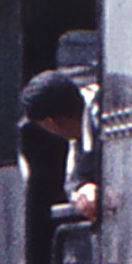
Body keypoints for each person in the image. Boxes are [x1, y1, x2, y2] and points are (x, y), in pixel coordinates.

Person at [17, 68, 99, 223]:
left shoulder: (98, 117)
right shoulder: (79, 132)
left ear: (51, 122)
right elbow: (72, 181)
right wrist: (82, 189)